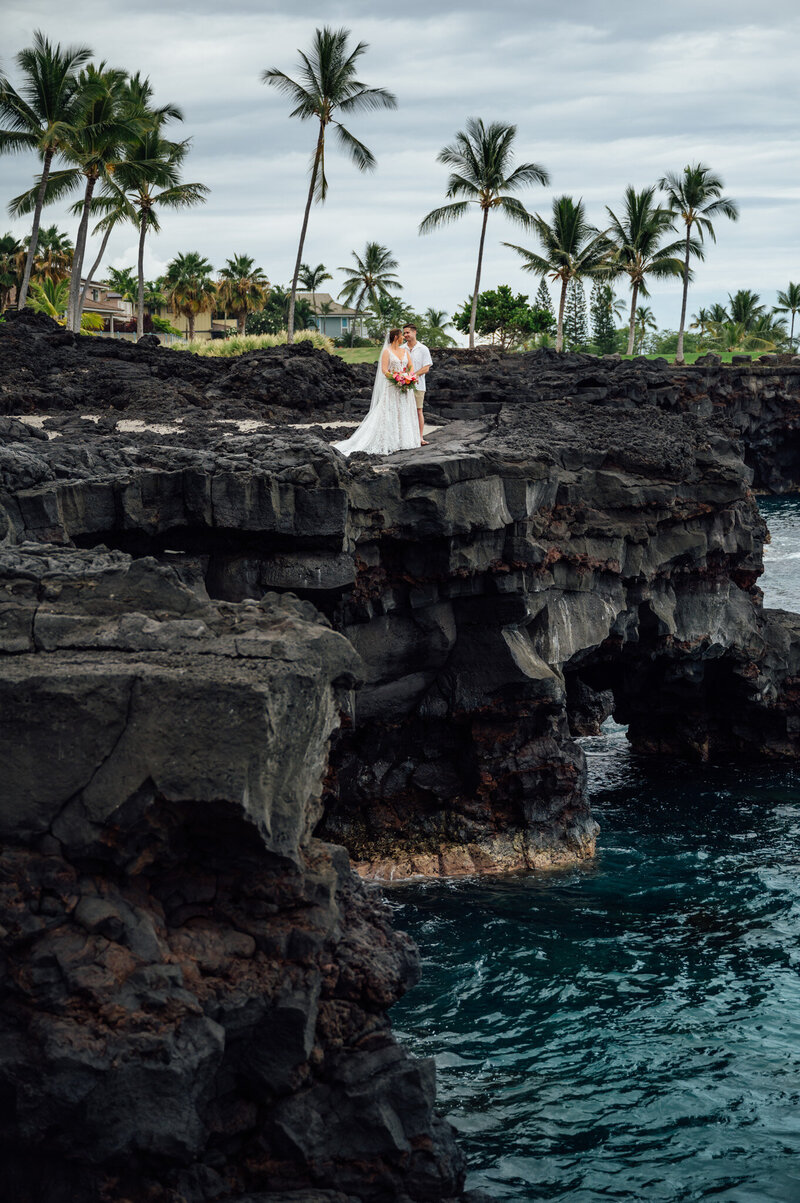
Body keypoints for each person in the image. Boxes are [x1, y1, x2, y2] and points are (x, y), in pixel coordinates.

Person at [333, 329, 421, 457]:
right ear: (396, 337)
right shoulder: (387, 352)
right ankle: (390, 441)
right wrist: (396, 378)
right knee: (389, 411)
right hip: (392, 386)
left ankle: (404, 441)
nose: (403, 337)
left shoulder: (405, 351)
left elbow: (411, 366)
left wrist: (409, 376)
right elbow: (384, 370)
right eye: (401, 335)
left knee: (403, 410)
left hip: (405, 387)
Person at [403, 323, 433, 445]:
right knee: (404, 411)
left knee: (418, 411)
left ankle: (420, 437)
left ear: (414, 332)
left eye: (407, 332)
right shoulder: (401, 348)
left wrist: (413, 376)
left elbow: (426, 368)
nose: (405, 335)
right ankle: (406, 437)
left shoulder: (423, 349)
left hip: (418, 385)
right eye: (404, 333)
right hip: (403, 385)